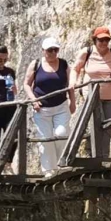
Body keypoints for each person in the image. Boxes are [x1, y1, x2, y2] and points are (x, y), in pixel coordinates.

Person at [28, 37, 77, 174]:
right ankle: (49, 170)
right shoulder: (36, 64)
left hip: (61, 106)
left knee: (61, 134)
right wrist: (33, 100)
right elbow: (26, 84)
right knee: (46, 138)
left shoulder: (63, 64)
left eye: (56, 50)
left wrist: (73, 102)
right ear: (43, 51)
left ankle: (61, 165)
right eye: (50, 50)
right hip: (42, 108)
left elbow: (70, 85)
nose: (53, 53)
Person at [74, 26, 111, 157]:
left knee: (108, 126)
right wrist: (75, 82)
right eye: (101, 40)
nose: (104, 43)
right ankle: (93, 155)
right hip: (92, 94)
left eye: (107, 39)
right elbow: (76, 68)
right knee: (96, 124)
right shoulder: (87, 52)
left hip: (110, 94)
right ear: (94, 40)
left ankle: (104, 155)